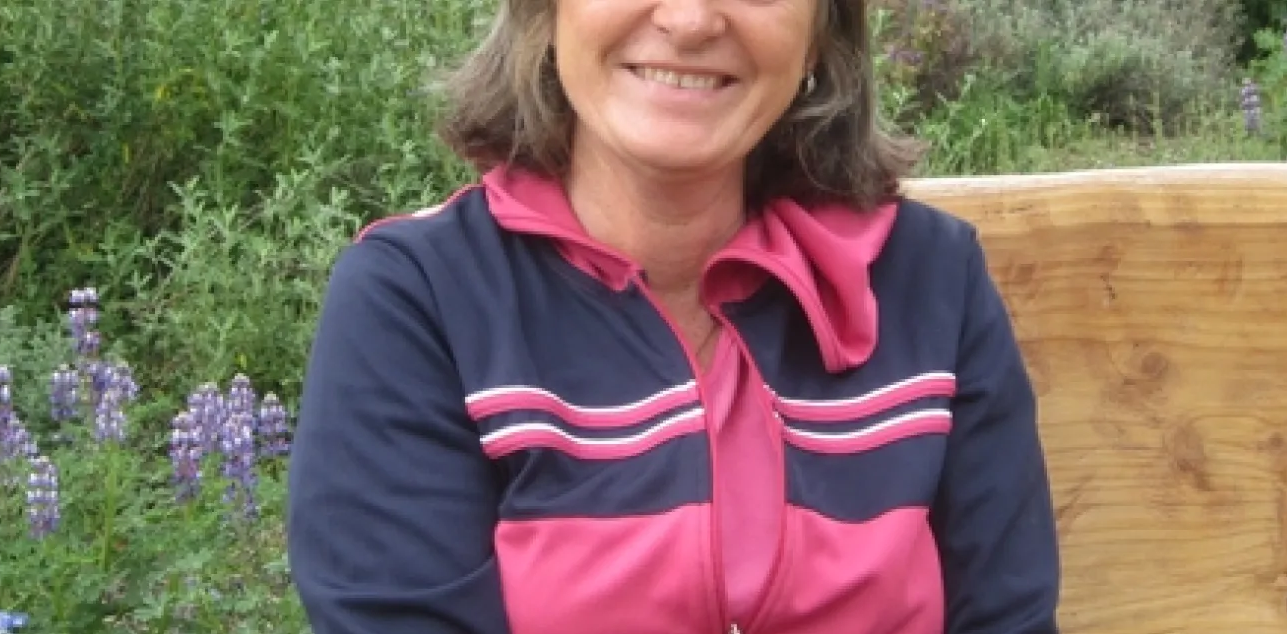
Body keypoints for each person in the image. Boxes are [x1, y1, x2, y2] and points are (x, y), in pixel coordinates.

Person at [286, 0, 1062, 632]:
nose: (691, 22)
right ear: (544, 14)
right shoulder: (419, 300)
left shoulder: (931, 278)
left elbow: (1006, 616)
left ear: (822, 35)